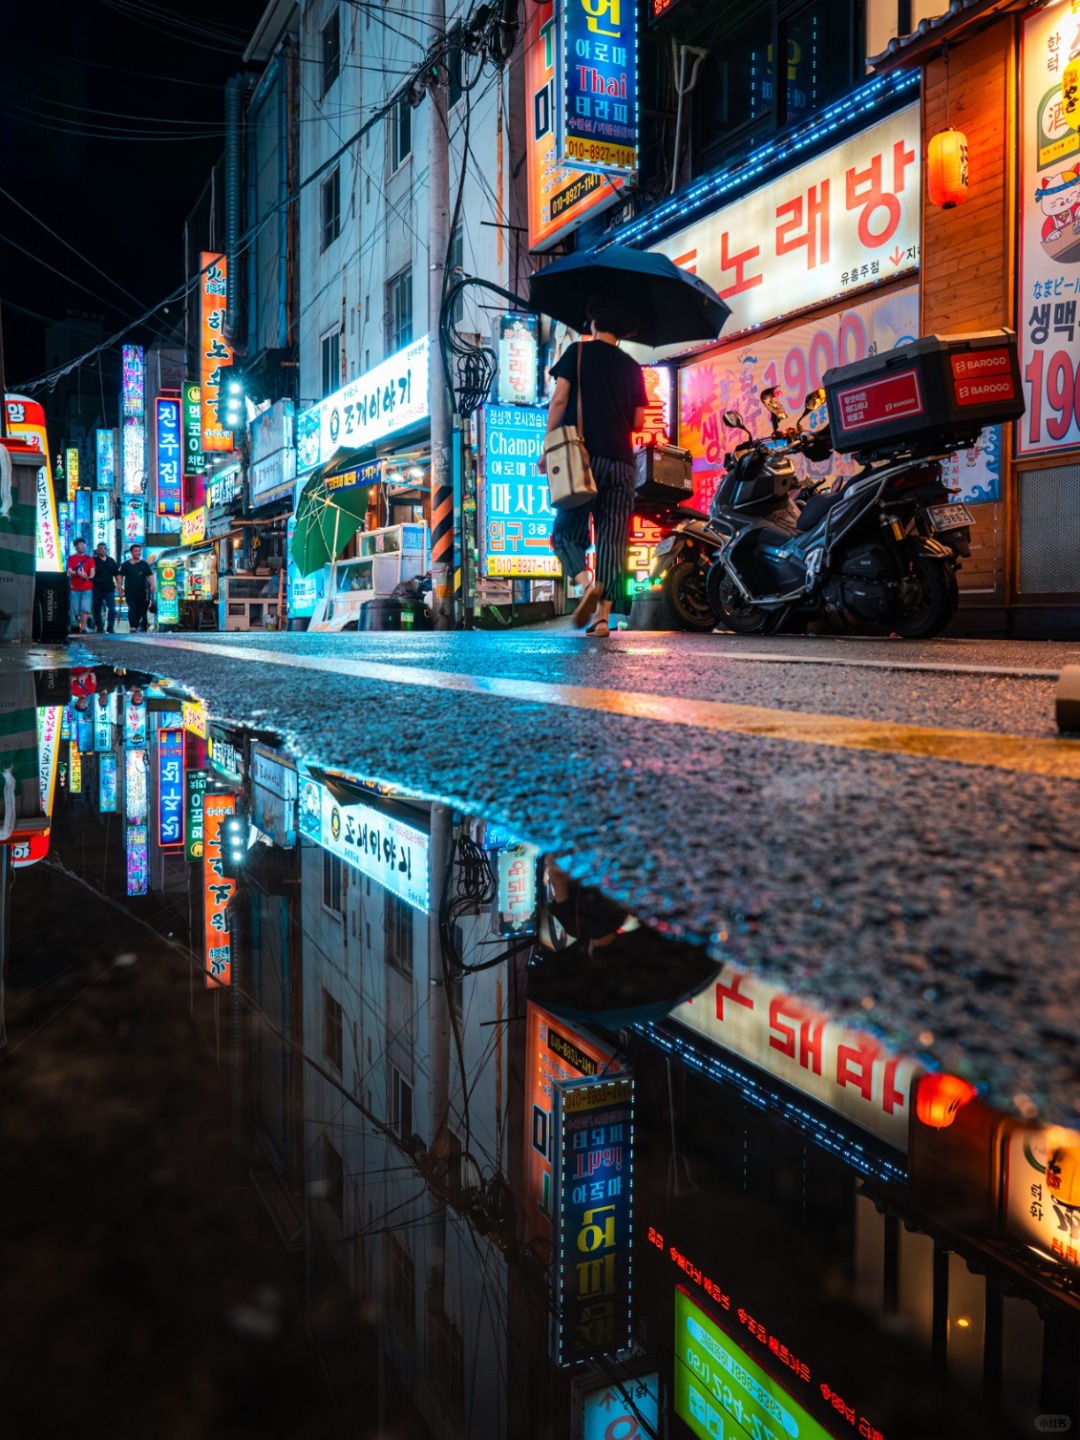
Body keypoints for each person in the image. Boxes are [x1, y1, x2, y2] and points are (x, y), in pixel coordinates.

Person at [539, 294, 647, 638]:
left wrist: (547, 446)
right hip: (622, 465)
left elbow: (559, 400)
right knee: (612, 541)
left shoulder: (578, 353)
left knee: (565, 533)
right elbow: (638, 421)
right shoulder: (632, 367)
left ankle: (585, 583)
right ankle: (602, 620)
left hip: (581, 459)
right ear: (623, 332)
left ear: (594, 324)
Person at [119, 545, 155, 632]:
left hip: (143, 592)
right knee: (132, 608)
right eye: (136, 551)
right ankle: (133, 626)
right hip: (130, 591)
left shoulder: (144, 564)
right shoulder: (125, 565)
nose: (138, 552)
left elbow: (150, 575)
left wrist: (152, 585)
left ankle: (141, 626)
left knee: (141, 610)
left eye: (139, 551)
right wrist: (119, 586)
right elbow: (120, 576)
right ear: (131, 552)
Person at [66, 537, 95, 633]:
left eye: (83, 544)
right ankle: (76, 625)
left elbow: (92, 570)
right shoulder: (71, 558)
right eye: (79, 545)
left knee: (85, 608)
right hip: (74, 587)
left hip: (87, 587)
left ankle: (83, 627)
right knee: (75, 609)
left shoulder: (89, 558)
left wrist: (90, 576)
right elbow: (69, 570)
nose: (82, 546)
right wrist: (78, 573)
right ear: (75, 547)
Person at [91, 543, 121, 634]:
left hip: (109, 588)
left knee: (112, 608)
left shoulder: (111, 561)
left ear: (106, 550)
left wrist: (119, 586)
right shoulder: (93, 560)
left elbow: (117, 574)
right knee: (97, 609)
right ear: (97, 550)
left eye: (104, 548)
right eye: (100, 548)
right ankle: (99, 627)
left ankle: (110, 627)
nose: (102, 550)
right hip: (96, 587)